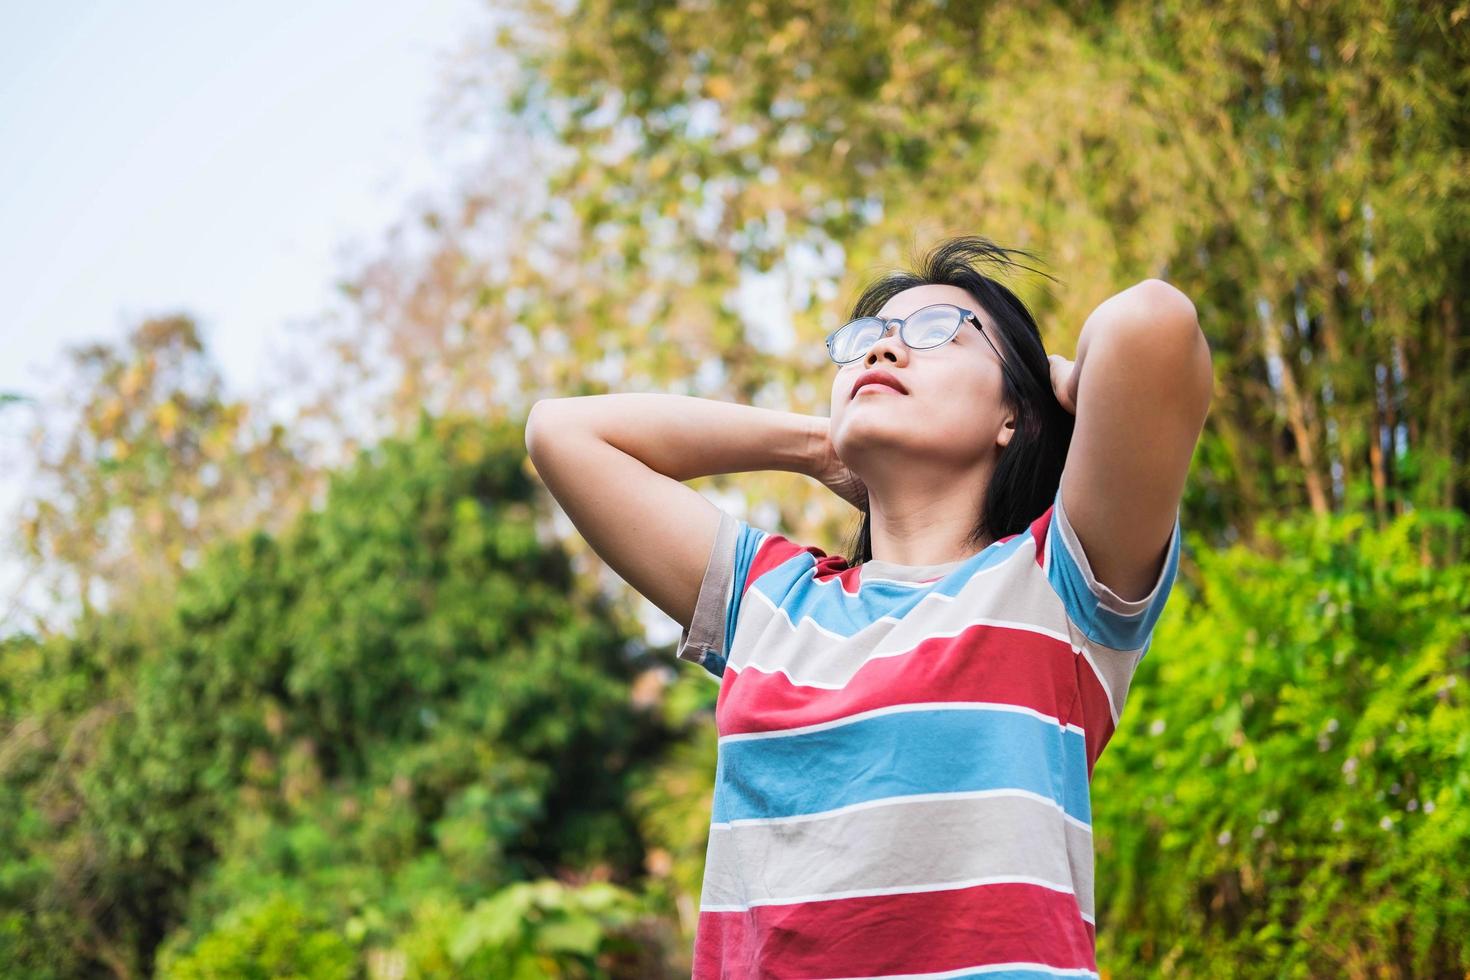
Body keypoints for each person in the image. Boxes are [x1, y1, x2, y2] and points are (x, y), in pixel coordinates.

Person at [524, 235, 1214, 979]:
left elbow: (1153, 325)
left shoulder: (1059, 583)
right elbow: (562, 433)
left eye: (938, 331)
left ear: (1013, 417)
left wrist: (1049, 388)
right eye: (865, 344)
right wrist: (822, 445)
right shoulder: (771, 601)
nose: (884, 353)